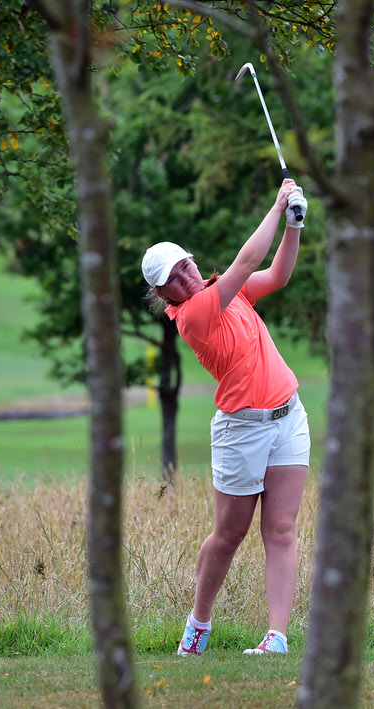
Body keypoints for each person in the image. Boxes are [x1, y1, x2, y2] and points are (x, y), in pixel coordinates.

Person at [141, 178, 310, 656]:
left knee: (280, 530)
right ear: (163, 293)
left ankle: (276, 637)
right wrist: (277, 205)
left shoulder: (225, 291)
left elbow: (275, 275)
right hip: (242, 430)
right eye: (173, 277)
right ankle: (199, 623)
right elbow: (247, 261)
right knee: (229, 534)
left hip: (288, 418)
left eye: (186, 265)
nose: (185, 277)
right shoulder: (193, 314)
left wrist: (294, 225)